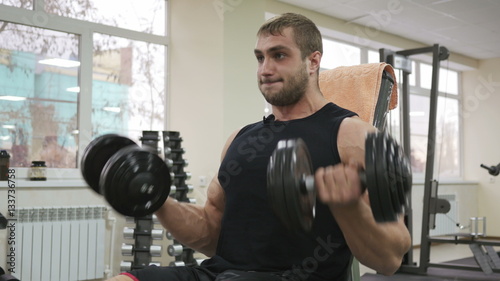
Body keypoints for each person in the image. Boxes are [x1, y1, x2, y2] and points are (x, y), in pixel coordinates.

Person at [110, 12, 411, 281]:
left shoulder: (357, 136)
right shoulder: (240, 139)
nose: (265, 69)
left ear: (313, 61)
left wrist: (349, 207)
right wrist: (158, 200)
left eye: (279, 55)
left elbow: (390, 259)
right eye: (260, 57)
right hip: (218, 273)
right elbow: (210, 233)